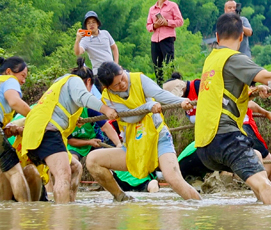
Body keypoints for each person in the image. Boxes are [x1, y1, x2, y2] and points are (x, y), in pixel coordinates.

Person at [194, 13, 271, 205]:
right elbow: (268, 76)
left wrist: (251, 92)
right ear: (241, 37)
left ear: (217, 37)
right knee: (264, 184)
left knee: (257, 160)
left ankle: (257, 218)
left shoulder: (211, 60)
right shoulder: (234, 58)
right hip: (225, 136)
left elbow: (224, 94)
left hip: (204, 145)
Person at [86, 62, 201, 202]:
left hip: (158, 139)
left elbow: (159, 94)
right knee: (92, 160)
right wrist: (148, 106)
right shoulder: (108, 98)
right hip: (134, 146)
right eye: (116, 85)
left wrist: (181, 101)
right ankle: (121, 197)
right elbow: (130, 116)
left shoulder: (138, 79)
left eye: (122, 78)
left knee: (174, 179)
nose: (122, 84)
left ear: (122, 70)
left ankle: (200, 208)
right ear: (107, 87)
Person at [20, 59, 119, 203]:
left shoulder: (61, 83)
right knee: (63, 175)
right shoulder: (75, 81)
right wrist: (106, 109)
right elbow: (84, 97)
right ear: (89, 81)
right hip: (47, 129)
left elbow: (61, 107)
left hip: (37, 130)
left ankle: (69, 204)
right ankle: (62, 217)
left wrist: (73, 119)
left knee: (75, 167)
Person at [0, 57, 35, 202]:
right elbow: (14, 101)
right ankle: (25, 213)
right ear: (9, 71)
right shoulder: (9, 80)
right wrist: (38, 116)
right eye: (22, 76)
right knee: (15, 172)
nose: (23, 81)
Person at [146, 0, 184, 84]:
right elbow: (148, 26)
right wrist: (155, 25)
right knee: (157, 65)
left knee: (169, 63)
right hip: (155, 40)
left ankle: (171, 84)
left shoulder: (172, 6)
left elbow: (180, 21)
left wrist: (167, 22)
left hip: (167, 38)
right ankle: (160, 86)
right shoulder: (152, 9)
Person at [244, 101, 271, 189]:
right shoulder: (240, 90)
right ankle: (258, 189)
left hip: (231, 129)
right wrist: (266, 113)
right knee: (268, 161)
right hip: (244, 127)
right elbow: (250, 103)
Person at [74, 11, 119, 75]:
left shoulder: (105, 33)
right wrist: (77, 40)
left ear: (98, 24)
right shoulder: (85, 40)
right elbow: (77, 52)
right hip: (98, 73)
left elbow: (114, 47)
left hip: (111, 69)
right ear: (86, 26)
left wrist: (116, 64)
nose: (91, 25)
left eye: (93, 22)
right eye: (88, 23)